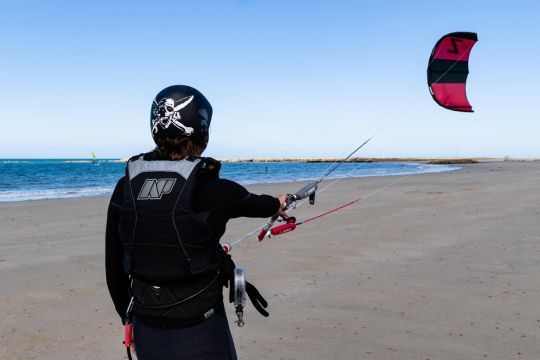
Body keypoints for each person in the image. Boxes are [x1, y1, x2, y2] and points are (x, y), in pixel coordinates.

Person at [105, 85, 287, 359]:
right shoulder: (214, 188)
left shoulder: (125, 186)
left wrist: (126, 317)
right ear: (203, 130)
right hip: (200, 325)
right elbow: (262, 204)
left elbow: (113, 261)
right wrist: (280, 203)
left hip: (145, 318)